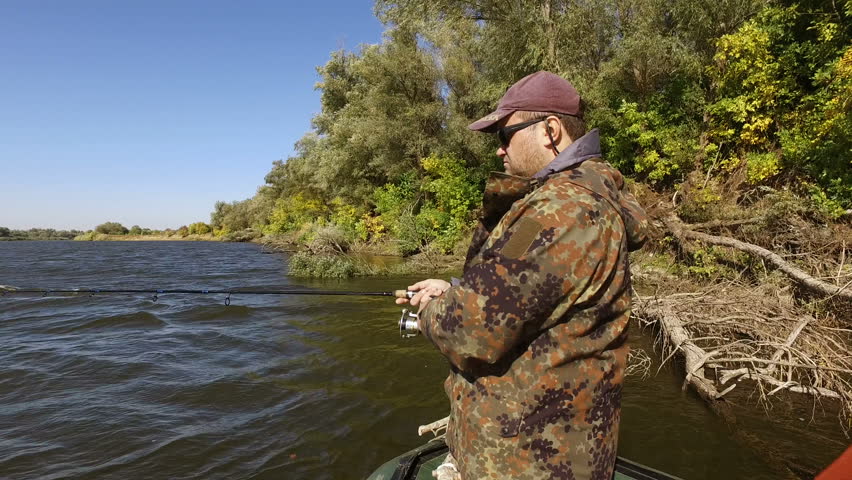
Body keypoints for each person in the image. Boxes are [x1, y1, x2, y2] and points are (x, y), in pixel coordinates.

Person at [396, 71, 649, 480]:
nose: (499, 150)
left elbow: (471, 329)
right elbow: (534, 296)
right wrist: (455, 289)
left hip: (531, 460)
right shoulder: (577, 200)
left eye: (504, 135)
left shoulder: (561, 209)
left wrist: (429, 311)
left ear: (550, 131)